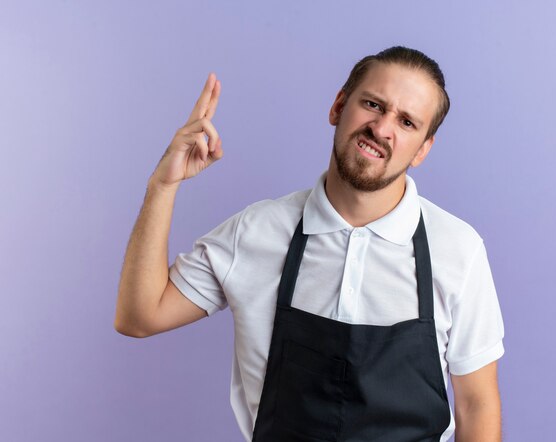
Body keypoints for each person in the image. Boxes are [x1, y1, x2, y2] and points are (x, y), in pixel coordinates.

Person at [115, 46, 505, 442]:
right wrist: (162, 185)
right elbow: (139, 316)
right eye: (373, 104)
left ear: (423, 149)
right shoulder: (257, 231)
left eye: (406, 122)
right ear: (338, 105)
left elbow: (476, 404)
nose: (382, 128)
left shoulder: (458, 250)